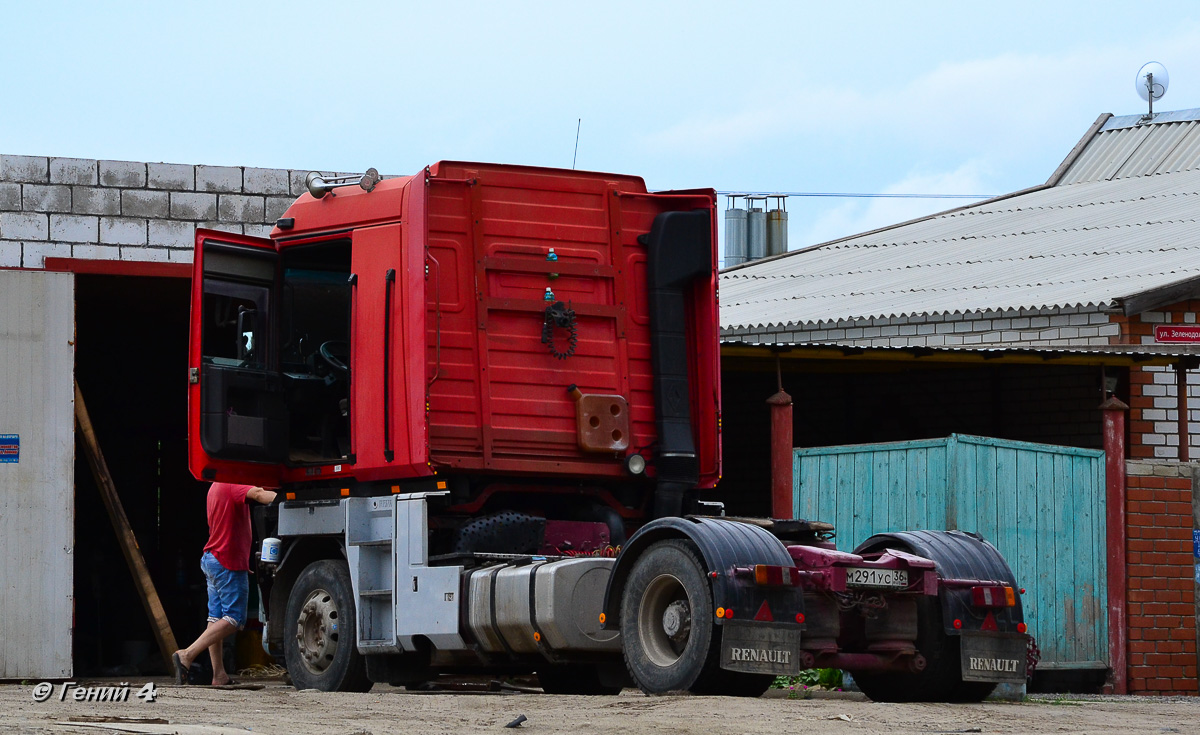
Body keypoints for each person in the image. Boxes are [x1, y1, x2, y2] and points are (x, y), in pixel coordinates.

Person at [173, 482, 276, 685]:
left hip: (213, 558)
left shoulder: (214, 487)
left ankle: (218, 675)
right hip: (227, 563)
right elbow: (257, 493)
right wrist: (289, 499)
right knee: (234, 619)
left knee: (216, 618)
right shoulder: (231, 484)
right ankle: (187, 654)